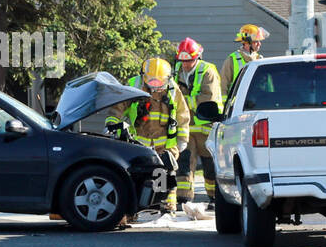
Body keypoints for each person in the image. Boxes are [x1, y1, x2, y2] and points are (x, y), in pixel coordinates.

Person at [104, 57, 190, 213]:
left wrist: (182, 140)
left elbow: (182, 115)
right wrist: (112, 124)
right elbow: (117, 108)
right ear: (143, 77)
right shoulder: (134, 86)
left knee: (164, 171)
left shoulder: (172, 90)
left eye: (159, 83)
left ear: (167, 79)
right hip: (139, 141)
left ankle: (164, 204)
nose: (155, 87)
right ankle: (135, 207)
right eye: (152, 82)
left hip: (165, 143)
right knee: (137, 173)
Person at [175, 37, 223, 208]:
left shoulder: (207, 71)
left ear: (197, 58)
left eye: (189, 60)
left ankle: (215, 198)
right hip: (186, 128)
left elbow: (207, 99)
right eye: (183, 61)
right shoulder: (176, 71)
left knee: (210, 166)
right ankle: (184, 199)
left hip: (206, 127)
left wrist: (184, 101)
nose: (186, 64)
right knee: (184, 164)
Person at [223, 24, 269, 88]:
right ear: (247, 43)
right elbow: (224, 84)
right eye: (256, 41)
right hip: (240, 97)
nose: (259, 44)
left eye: (259, 41)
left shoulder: (260, 58)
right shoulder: (232, 59)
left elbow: (267, 84)